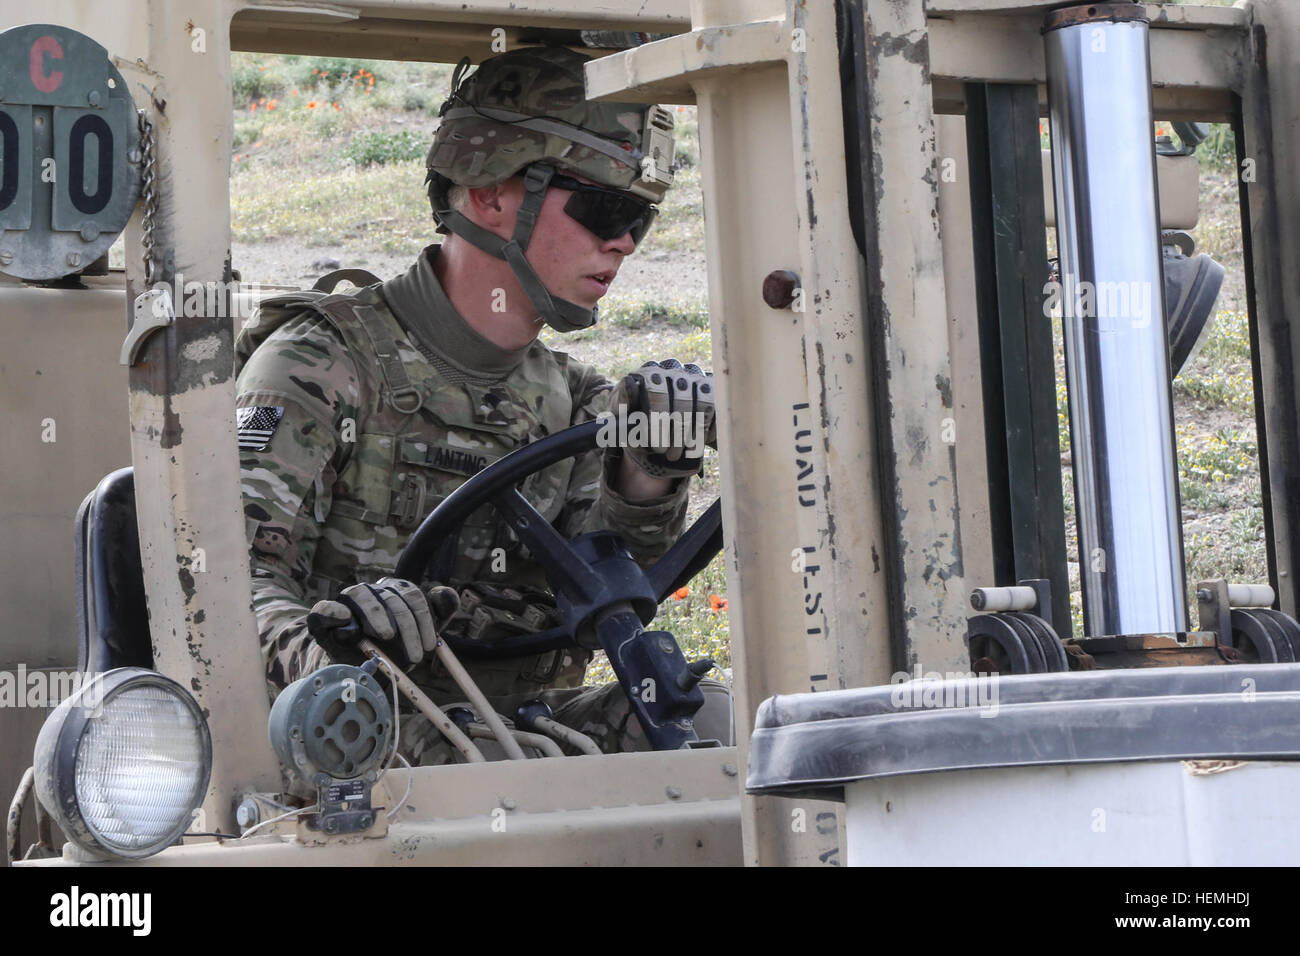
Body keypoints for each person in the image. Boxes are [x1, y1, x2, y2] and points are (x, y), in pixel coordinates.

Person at [234, 45, 727, 763]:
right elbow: (232, 588)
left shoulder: (575, 399)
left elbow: (610, 598)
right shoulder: (322, 364)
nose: (623, 243)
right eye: (603, 207)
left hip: (521, 722)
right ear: (490, 191)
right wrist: (334, 655)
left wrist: (646, 478)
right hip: (353, 733)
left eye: (640, 220)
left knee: (718, 722)